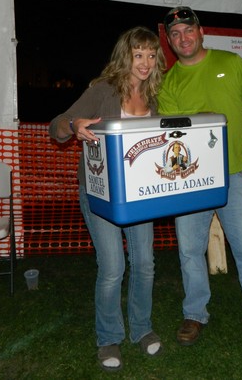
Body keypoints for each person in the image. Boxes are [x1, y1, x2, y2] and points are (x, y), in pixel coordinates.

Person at [158, 6, 242, 357]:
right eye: (175, 34)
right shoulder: (169, 82)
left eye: (188, 30)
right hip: (190, 181)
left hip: (235, 173)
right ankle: (194, 314)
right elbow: (173, 135)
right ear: (170, 41)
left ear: (200, 31)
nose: (183, 38)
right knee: (190, 251)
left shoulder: (231, 63)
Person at [49, 26, 166, 372]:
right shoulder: (103, 90)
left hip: (139, 194)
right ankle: (109, 337)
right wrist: (74, 125)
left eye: (151, 55)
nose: (145, 62)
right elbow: (56, 125)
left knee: (144, 264)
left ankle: (141, 328)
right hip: (100, 192)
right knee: (113, 267)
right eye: (138, 54)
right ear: (125, 55)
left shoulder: (154, 96)